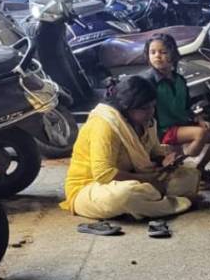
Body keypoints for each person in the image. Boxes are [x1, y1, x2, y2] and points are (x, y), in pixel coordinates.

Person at [60, 76, 200, 220]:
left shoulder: (147, 122)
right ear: (127, 107)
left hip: (137, 179)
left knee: (190, 173)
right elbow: (103, 174)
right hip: (90, 188)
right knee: (127, 196)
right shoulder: (105, 124)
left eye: (153, 106)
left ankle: (153, 201)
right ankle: (177, 202)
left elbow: (153, 153)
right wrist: (147, 180)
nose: (151, 112)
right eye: (145, 108)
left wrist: (165, 160)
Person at [145, 34, 210, 183]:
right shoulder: (148, 81)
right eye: (153, 52)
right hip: (164, 130)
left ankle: (199, 167)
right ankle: (183, 165)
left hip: (182, 124)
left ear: (173, 54)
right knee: (201, 133)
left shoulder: (179, 80)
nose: (157, 56)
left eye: (163, 52)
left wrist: (198, 118)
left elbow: (186, 106)